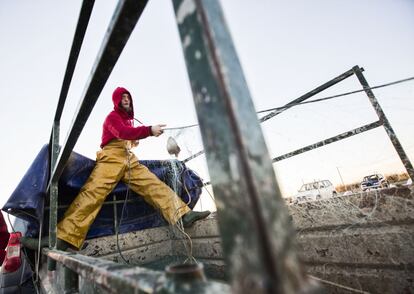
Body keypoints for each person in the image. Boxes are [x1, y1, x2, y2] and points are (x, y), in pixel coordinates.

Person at [22, 87, 210, 251]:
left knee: (154, 185)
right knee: (92, 195)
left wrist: (136, 138)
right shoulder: (112, 117)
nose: (126, 100)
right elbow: (121, 133)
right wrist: (148, 131)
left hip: (129, 160)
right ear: (116, 102)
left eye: (128, 97)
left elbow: (128, 135)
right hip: (111, 158)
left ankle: (182, 215)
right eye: (122, 98)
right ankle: (62, 238)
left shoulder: (128, 122)